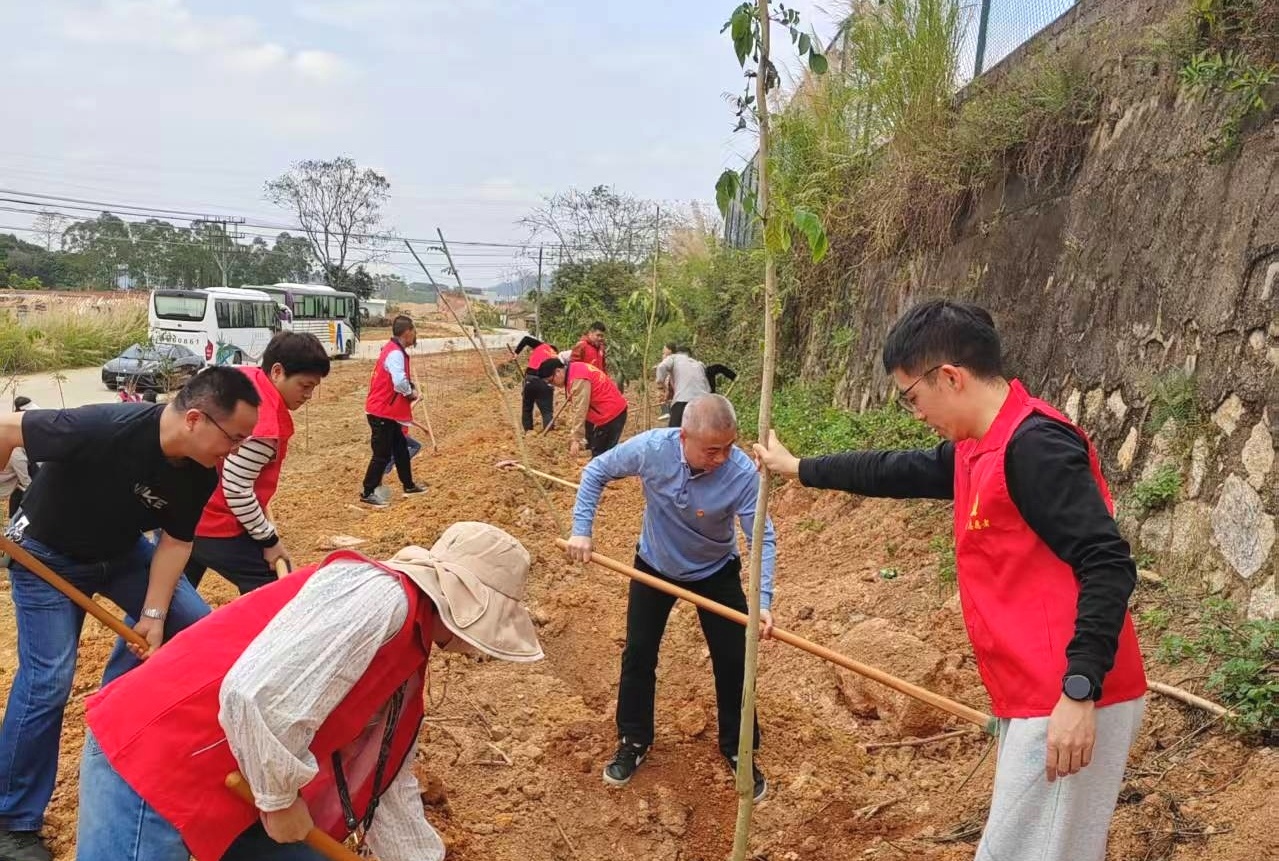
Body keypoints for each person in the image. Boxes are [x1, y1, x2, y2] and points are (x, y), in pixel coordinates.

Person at [753, 299, 1146, 861]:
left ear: (952, 377)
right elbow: (896, 468)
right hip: (1038, 694)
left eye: (914, 397)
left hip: (1069, 695)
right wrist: (801, 469)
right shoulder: (976, 448)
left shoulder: (1033, 447)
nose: (914, 412)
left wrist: (1079, 691)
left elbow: (1107, 562)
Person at [76, 522, 543, 861]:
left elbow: (387, 777)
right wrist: (279, 802)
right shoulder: (383, 599)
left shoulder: (410, 657)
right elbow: (253, 694)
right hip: (161, 755)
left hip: (242, 778)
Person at [0, 367, 261, 861]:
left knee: (195, 629)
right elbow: (8, 429)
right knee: (48, 680)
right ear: (195, 419)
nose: (237, 451)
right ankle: (12, 819)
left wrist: (155, 613)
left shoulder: (202, 470)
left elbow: (176, 542)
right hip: (46, 556)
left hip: (122, 554)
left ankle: (119, 713)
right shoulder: (104, 427)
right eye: (235, 438)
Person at [564, 394, 776, 802]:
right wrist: (581, 529)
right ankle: (634, 740)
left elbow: (760, 537)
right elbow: (595, 472)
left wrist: (762, 600)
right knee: (639, 654)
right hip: (654, 565)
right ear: (684, 437)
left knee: (735, 661)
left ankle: (739, 746)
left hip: (715, 570)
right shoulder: (651, 449)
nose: (720, 458)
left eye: (728, 448)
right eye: (711, 450)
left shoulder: (741, 475)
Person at [185, 332, 331, 596]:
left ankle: (135, 638)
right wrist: (268, 539)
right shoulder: (263, 422)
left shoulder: (247, 380)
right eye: (304, 386)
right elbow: (237, 490)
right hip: (214, 522)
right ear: (277, 371)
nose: (309, 395)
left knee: (168, 595)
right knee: (270, 588)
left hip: (187, 511)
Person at [361, 315, 427, 506]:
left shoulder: (394, 350)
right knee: (381, 455)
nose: (415, 335)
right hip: (382, 412)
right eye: (414, 331)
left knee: (400, 450)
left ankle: (408, 485)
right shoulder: (395, 353)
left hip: (386, 412)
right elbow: (399, 383)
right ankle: (368, 491)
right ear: (407, 332)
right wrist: (411, 393)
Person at [536, 357, 628, 458]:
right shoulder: (575, 369)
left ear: (558, 371)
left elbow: (580, 409)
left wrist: (576, 439)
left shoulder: (578, 379)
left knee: (602, 456)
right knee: (598, 451)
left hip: (611, 414)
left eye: (551, 381)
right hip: (607, 412)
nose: (553, 384)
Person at [655, 343, 711, 428]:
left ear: (676, 353)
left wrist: (660, 386)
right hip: (703, 403)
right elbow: (708, 388)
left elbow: (661, 367)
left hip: (682, 401)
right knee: (699, 432)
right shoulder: (699, 364)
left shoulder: (673, 358)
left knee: (674, 432)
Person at [0, 399, 39, 521]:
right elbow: (26, 482)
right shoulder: (15, 450)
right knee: (29, 489)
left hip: (17, 480)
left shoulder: (19, 432)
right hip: (8, 487)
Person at [514, 335, 560, 431]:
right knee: (547, 411)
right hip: (545, 383)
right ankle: (549, 433)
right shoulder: (557, 358)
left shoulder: (542, 346)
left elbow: (526, 339)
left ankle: (528, 432)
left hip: (529, 380)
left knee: (527, 408)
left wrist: (516, 352)